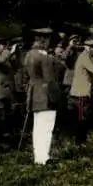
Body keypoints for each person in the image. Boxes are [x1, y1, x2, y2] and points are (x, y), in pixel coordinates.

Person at [23, 28, 61, 165]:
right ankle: (44, 157)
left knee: (38, 126)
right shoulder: (44, 56)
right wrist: (56, 96)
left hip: (34, 93)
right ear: (44, 40)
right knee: (46, 127)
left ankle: (38, 157)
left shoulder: (29, 54)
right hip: (46, 94)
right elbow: (50, 79)